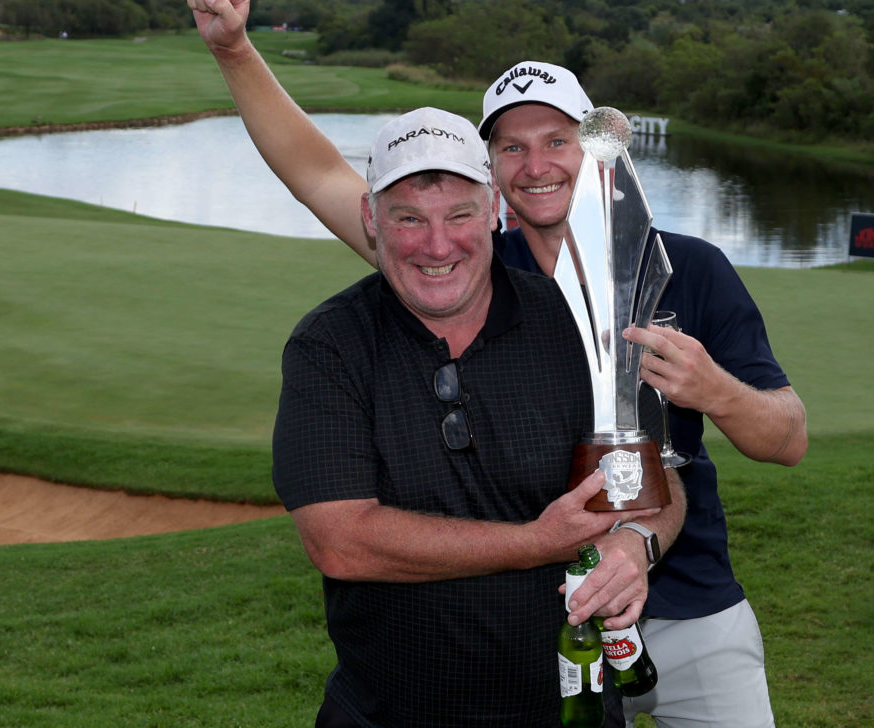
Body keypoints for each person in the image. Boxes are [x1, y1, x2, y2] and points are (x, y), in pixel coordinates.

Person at [190, 3, 807, 726]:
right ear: (490, 178)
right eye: (512, 148)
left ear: (596, 147)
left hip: (687, 594)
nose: (537, 165)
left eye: (556, 139)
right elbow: (317, 173)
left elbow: (784, 440)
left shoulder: (684, 269)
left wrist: (714, 392)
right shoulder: (471, 265)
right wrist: (233, 47)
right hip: (548, 620)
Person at [273, 106, 671, 727]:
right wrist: (534, 544)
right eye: (409, 218)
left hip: (566, 711)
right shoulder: (330, 345)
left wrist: (634, 543)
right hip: (386, 714)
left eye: (460, 214)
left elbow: (662, 486)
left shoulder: (580, 325)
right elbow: (339, 539)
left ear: (494, 212)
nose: (437, 245)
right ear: (369, 220)